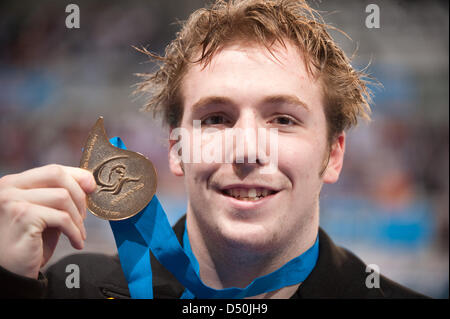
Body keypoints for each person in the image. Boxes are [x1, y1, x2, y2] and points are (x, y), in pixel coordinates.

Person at [0, 0, 427, 298]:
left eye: (282, 120)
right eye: (217, 119)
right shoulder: (65, 290)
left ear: (333, 155)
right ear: (176, 150)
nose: (246, 150)